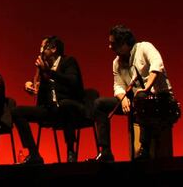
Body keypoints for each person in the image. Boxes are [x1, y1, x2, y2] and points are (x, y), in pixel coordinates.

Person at [88, 24, 175, 162]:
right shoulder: (116, 62)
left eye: (113, 44)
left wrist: (146, 88)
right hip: (137, 100)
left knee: (141, 97)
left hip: (160, 99)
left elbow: (157, 65)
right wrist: (122, 98)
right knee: (100, 104)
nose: (110, 47)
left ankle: (144, 150)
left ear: (124, 43)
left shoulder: (144, 47)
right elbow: (118, 85)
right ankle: (105, 152)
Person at [11, 36, 85, 164]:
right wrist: (29, 85)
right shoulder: (43, 66)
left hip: (69, 107)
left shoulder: (68, 61)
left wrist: (49, 72)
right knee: (16, 112)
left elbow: (73, 81)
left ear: (54, 49)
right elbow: (39, 87)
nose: (40, 50)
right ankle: (34, 154)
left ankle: (70, 151)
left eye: (43, 47)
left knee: (65, 105)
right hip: (49, 108)